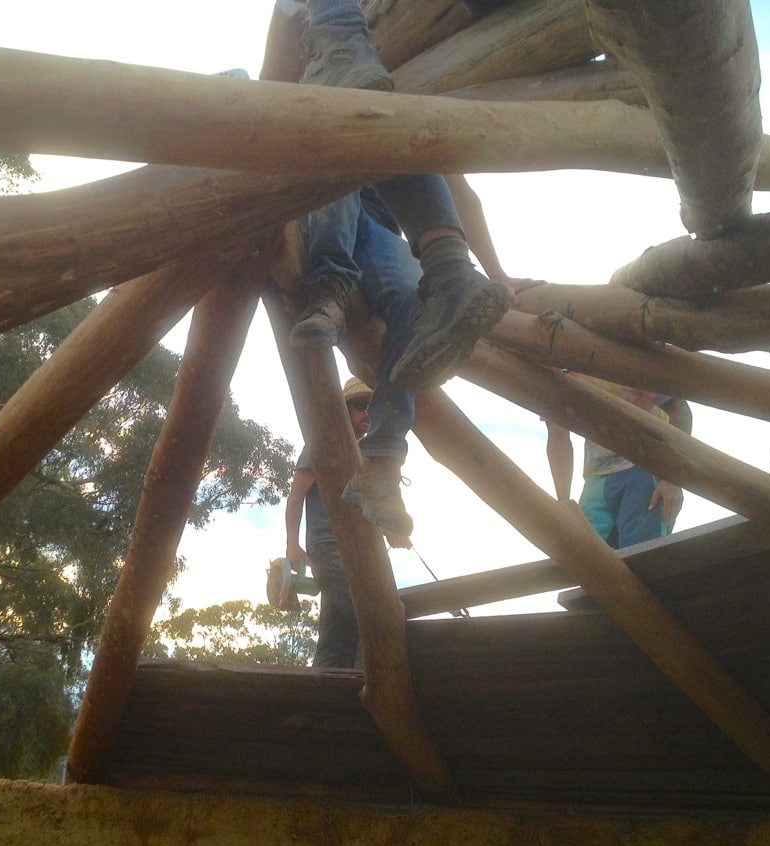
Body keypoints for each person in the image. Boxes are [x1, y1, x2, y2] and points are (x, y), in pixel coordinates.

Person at [290, 0, 538, 539]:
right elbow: (277, 55)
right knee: (344, 158)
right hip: (327, 181)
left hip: (380, 219)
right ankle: (331, 282)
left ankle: (382, 458)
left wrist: (491, 271)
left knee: (415, 300)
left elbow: (456, 187)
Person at [285, 378, 405, 669]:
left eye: (373, 408)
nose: (368, 414)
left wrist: (391, 529)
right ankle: (369, 690)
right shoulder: (324, 443)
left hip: (360, 549)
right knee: (377, 616)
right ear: (344, 409)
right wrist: (292, 544)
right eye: (361, 406)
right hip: (329, 547)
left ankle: (321, 705)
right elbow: (297, 493)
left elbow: (370, 506)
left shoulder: (369, 455)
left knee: (336, 638)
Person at [546, 385, 691, 548]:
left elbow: (678, 408)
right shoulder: (561, 371)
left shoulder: (628, 362)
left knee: (644, 553)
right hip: (598, 475)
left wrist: (672, 479)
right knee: (581, 554)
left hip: (645, 467)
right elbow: (557, 434)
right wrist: (564, 501)